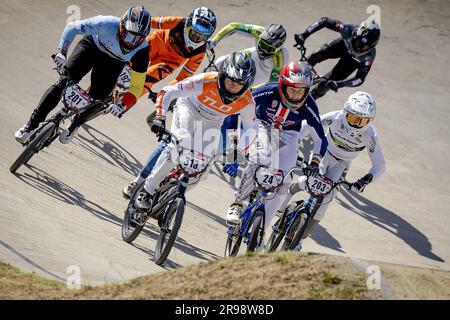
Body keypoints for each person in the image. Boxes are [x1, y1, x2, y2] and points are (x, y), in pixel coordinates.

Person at [132, 52, 258, 211]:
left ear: (246, 86)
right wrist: (160, 116)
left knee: (203, 167)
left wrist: (240, 150)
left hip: (213, 122)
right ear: (222, 75)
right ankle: (147, 191)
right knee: (177, 144)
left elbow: (252, 129)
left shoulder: (247, 101)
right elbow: (168, 91)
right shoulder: (206, 80)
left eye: (239, 83)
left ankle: (174, 195)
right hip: (189, 109)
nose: (233, 86)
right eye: (230, 80)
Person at [223, 61, 328, 249]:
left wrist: (314, 162)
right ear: (282, 85)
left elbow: (321, 138)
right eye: (292, 89)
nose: (296, 95)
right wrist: (232, 152)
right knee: (260, 157)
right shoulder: (267, 91)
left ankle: (261, 230)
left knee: (284, 182)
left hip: (289, 134)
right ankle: (237, 203)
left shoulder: (309, 105)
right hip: (263, 124)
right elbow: (235, 108)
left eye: (301, 91)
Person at [14, 6, 152, 144]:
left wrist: (122, 105)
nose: (131, 42)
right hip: (92, 48)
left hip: (114, 63)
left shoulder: (142, 50)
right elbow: (72, 27)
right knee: (62, 82)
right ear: (121, 26)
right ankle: (31, 125)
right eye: (129, 36)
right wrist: (62, 52)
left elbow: (136, 87)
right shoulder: (106, 23)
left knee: (99, 100)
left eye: (138, 40)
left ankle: (75, 124)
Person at [282, 91, 386, 251]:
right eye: (353, 118)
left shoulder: (370, 134)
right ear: (345, 112)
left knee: (325, 200)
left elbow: (379, 165)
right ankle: (289, 193)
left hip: (343, 164)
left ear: (370, 121)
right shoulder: (335, 117)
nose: (357, 124)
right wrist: (293, 147)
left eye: (362, 121)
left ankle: (300, 239)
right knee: (308, 181)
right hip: (324, 153)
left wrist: (364, 180)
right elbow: (307, 125)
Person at [208, 23, 290, 154]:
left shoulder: (281, 59)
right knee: (221, 62)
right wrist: (215, 41)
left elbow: (271, 85)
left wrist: (246, 89)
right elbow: (233, 26)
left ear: (278, 49)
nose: (262, 49)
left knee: (239, 120)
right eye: (261, 43)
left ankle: (233, 154)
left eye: (268, 48)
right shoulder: (258, 31)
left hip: (259, 83)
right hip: (249, 63)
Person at [293, 17, 380, 99]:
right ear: (354, 35)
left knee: (324, 85)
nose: (359, 48)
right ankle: (294, 75)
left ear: (372, 47)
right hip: (342, 47)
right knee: (315, 56)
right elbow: (325, 21)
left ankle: (310, 100)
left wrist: (340, 84)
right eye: (358, 43)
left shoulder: (369, 56)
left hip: (351, 62)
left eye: (364, 48)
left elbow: (360, 79)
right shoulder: (348, 29)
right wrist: (304, 34)